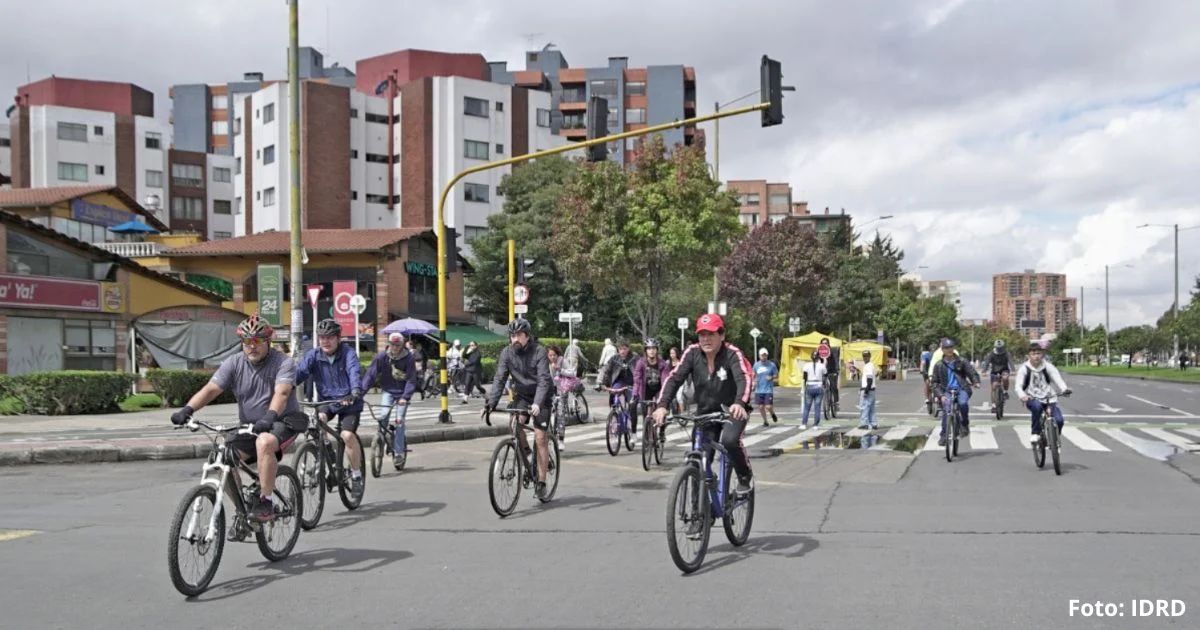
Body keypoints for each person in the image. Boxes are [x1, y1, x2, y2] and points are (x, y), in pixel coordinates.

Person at [170, 315, 305, 523]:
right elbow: (211, 389)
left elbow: (283, 393)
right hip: (251, 426)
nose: (252, 346)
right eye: (247, 342)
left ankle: (266, 501)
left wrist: (269, 417)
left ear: (268, 342)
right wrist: (187, 410)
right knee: (220, 457)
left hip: (281, 422)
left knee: (265, 441)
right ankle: (242, 509)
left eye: (257, 341)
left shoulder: (283, 363)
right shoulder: (234, 363)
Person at [651, 313, 754, 494]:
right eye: (702, 334)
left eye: (711, 334)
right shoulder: (692, 353)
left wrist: (739, 403)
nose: (705, 339)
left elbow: (743, 378)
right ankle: (697, 516)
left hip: (731, 411)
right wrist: (662, 405)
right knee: (698, 461)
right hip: (705, 413)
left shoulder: (732, 353)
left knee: (730, 441)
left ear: (721, 335)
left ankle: (744, 476)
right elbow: (674, 378)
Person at [484, 319, 554, 500]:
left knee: (540, 437)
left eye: (518, 335)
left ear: (527, 336)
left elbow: (544, 380)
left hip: (542, 396)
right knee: (515, 424)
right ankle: (528, 456)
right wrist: (491, 403)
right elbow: (500, 378)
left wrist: (538, 403)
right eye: (512, 335)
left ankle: (542, 482)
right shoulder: (507, 353)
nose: (514, 339)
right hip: (522, 396)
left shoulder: (539, 351)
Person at [295, 318, 365, 496]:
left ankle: (356, 475)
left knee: (347, 435)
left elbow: (354, 372)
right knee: (318, 420)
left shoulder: (348, 353)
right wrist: (284, 388)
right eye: (322, 337)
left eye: (330, 337)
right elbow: (299, 373)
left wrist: (355, 391)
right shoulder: (314, 355)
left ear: (338, 338)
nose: (325, 341)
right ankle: (329, 455)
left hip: (349, 402)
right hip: (327, 402)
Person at [361, 332, 417, 470]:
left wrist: (405, 397)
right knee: (383, 415)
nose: (395, 348)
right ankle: (380, 437)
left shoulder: (409, 358)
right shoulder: (382, 357)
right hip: (388, 391)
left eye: (398, 345)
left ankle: (398, 453)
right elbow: (371, 375)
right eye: (392, 345)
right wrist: (360, 393)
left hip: (402, 394)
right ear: (389, 344)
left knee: (399, 421)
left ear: (402, 344)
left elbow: (411, 379)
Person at [1015, 342, 1072, 446]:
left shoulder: (1048, 366)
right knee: (1036, 407)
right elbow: (1018, 385)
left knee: (1059, 420)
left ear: (1042, 354)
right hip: (1032, 397)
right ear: (1029, 355)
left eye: (1038, 353)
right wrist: (1022, 395)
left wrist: (1064, 389)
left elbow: (1057, 379)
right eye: (1033, 354)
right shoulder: (1024, 368)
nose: (1036, 356)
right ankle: (1035, 433)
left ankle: (1055, 438)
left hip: (1049, 398)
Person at [930, 338, 981, 446]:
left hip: (962, 388)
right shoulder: (939, 365)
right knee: (946, 409)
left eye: (951, 347)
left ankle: (964, 424)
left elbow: (971, 372)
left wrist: (976, 382)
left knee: (962, 403)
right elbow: (934, 383)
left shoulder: (962, 361)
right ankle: (944, 436)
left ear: (953, 348)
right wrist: (940, 395)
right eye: (946, 348)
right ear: (942, 350)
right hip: (946, 391)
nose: (949, 350)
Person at [599, 338, 641, 444]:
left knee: (632, 405)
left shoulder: (635, 358)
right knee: (613, 396)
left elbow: (640, 371)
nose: (622, 351)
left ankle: (633, 431)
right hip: (619, 382)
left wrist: (639, 385)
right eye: (620, 349)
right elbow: (606, 371)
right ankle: (615, 416)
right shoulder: (614, 358)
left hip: (632, 383)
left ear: (628, 349)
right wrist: (601, 383)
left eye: (624, 349)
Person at [634, 338, 672, 436]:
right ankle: (646, 435)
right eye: (649, 348)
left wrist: (664, 396)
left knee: (661, 410)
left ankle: (662, 432)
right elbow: (637, 380)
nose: (651, 351)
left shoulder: (663, 364)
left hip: (658, 389)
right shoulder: (641, 363)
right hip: (645, 390)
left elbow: (665, 380)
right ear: (646, 350)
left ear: (657, 350)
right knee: (645, 414)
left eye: (654, 348)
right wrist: (635, 394)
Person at [546, 345, 567, 450]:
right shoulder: (545, 364)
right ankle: (549, 436)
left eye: (554, 355)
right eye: (550, 355)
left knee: (560, 413)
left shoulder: (563, 361)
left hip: (561, 389)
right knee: (547, 411)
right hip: (550, 390)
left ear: (557, 354)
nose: (552, 357)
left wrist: (560, 369)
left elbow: (572, 372)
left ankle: (561, 439)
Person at [983, 339, 1013, 412]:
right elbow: (987, 362)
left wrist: (1014, 370)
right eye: (998, 348)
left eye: (1001, 348)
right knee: (994, 386)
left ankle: (1005, 392)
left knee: (1005, 378)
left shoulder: (1006, 353)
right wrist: (984, 371)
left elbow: (1010, 362)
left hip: (1004, 369)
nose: (999, 349)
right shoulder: (992, 353)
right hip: (994, 371)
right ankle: (993, 405)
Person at [752, 347, 779, 426]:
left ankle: (772, 413)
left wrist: (771, 377)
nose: (764, 357)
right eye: (762, 355)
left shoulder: (771, 365)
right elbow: (753, 374)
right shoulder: (756, 365)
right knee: (760, 407)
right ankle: (765, 421)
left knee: (768, 406)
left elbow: (776, 374)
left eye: (765, 355)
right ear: (759, 356)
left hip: (768, 389)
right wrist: (754, 383)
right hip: (759, 389)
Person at [801, 350, 826, 427]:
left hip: (809, 385)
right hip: (819, 385)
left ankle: (804, 423)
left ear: (811, 357)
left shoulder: (806, 365)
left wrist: (805, 386)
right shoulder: (822, 366)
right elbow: (825, 376)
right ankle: (816, 424)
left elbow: (804, 377)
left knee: (807, 407)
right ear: (818, 357)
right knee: (817, 407)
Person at [858, 349, 878, 430]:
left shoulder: (868, 366)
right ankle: (873, 423)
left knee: (864, 407)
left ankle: (864, 423)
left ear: (870, 356)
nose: (865, 358)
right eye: (864, 356)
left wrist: (866, 390)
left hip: (868, 389)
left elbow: (869, 379)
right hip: (871, 389)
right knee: (871, 408)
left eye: (867, 356)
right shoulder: (871, 365)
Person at [819, 337, 840, 407]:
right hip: (824, 371)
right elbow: (817, 360)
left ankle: (836, 402)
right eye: (823, 343)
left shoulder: (833, 351)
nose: (824, 344)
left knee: (834, 386)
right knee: (821, 386)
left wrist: (837, 370)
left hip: (832, 370)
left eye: (826, 343)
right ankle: (825, 398)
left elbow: (836, 360)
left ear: (828, 344)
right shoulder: (819, 351)